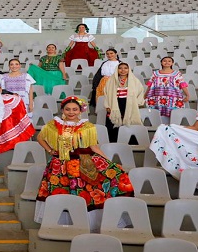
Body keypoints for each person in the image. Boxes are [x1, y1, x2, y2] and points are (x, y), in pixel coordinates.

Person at [34, 96, 133, 227]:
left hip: (84, 163)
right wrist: (50, 151)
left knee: (86, 192)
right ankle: (64, 223)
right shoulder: (54, 125)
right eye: (67, 109)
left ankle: (85, 223)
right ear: (62, 110)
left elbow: (94, 147)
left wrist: (109, 162)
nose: (71, 112)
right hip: (60, 164)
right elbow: (40, 138)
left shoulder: (87, 126)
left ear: (80, 110)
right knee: (63, 191)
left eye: (74, 109)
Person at [103, 63, 145, 142]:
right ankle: (114, 141)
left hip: (129, 104)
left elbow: (140, 91)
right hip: (115, 103)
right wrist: (107, 105)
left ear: (129, 69)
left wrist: (137, 103)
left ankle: (131, 142)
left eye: (125, 68)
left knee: (130, 122)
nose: (123, 70)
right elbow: (106, 93)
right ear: (117, 70)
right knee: (113, 123)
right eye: (120, 68)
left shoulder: (134, 80)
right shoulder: (111, 80)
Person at [145, 56, 190, 123]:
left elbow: (182, 84)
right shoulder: (155, 73)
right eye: (165, 61)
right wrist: (145, 94)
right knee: (158, 116)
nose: (167, 62)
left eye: (169, 61)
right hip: (158, 98)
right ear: (161, 63)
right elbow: (150, 85)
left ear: (172, 63)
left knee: (172, 115)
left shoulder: (177, 74)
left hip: (173, 97)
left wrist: (187, 95)